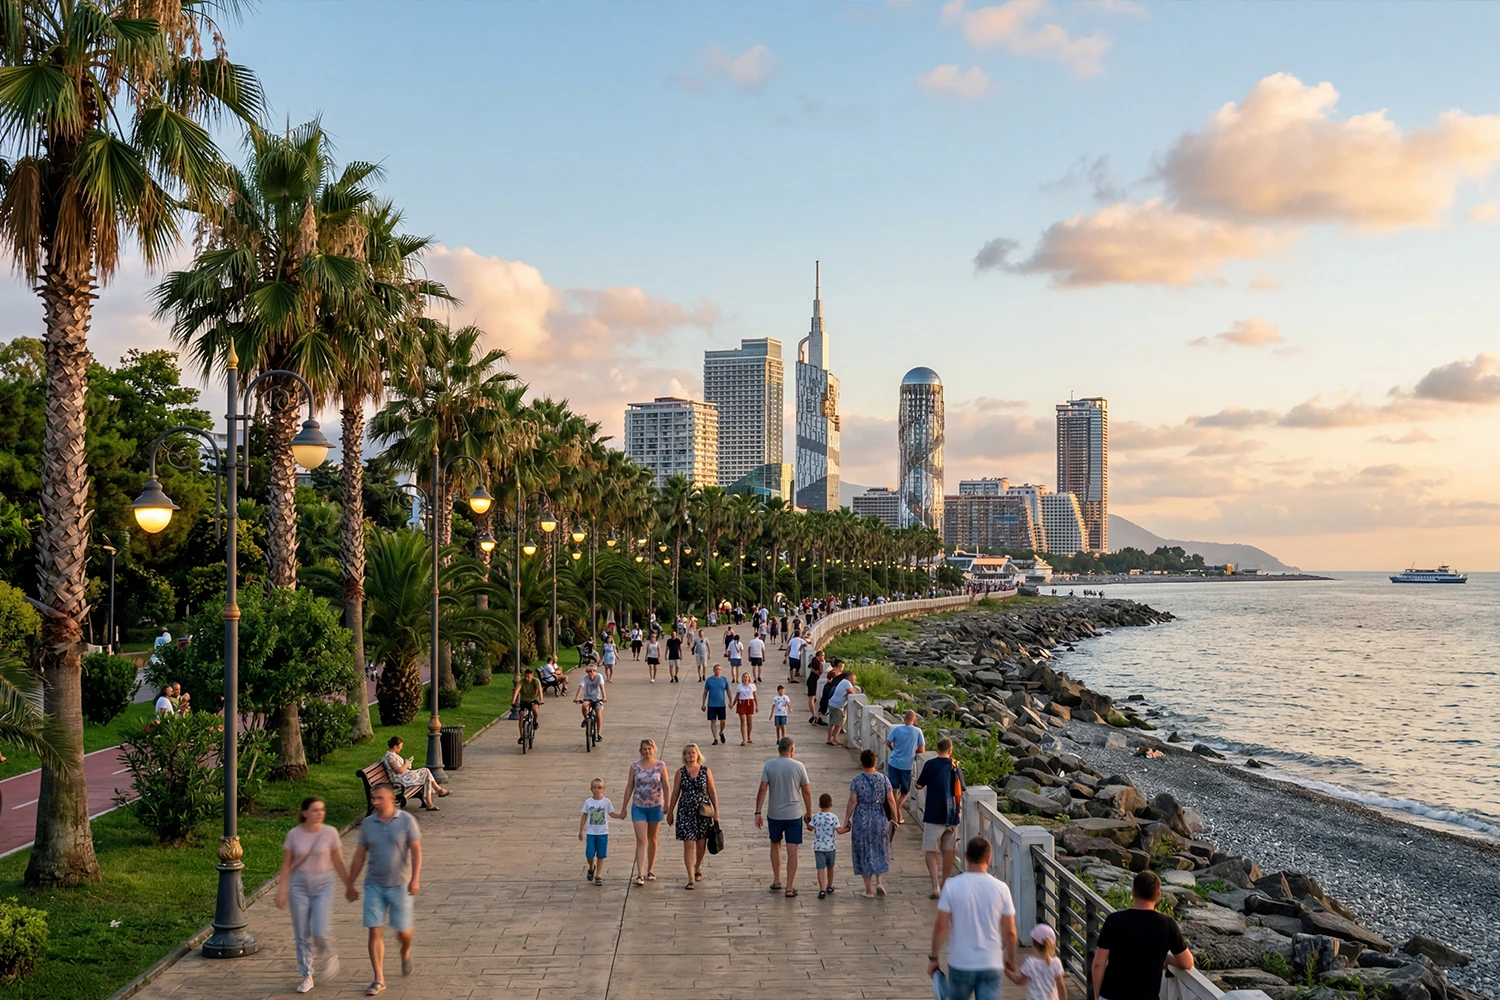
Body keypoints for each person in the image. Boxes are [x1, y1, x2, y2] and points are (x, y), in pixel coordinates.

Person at [347, 785, 423, 997]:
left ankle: (405, 949)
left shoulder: (406, 821)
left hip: (401, 884)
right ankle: (378, 978)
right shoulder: (368, 824)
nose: (375, 802)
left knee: (403, 932)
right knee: (374, 929)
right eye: (373, 799)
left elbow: (416, 851)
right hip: (374, 885)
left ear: (392, 799)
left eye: (379, 798)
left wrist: (415, 879)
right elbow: (360, 855)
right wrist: (350, 883)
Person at [276, 796, 352, 993]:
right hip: (299, 885)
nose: (320, 813)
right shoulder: (294, 834)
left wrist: (349, 885)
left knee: (319, 929)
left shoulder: (330, 832)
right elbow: (286, 865)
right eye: (315, 810)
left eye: (322, 810)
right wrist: (282, 890)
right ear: (304, 813)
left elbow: (338, 861)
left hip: (323, 884)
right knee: (301, 932)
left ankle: (330, 957)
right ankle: (307, 975)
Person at [927, 837, 1018, 1000]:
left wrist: (934, 957)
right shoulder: (1001, 889)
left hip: (961, 962)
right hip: (991, 962)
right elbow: (1010, 931)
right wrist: (1010, 958)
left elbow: (941, 926)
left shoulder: (951, 885)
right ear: (989, 859)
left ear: (966, 856)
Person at [1091, 871, 1194, 1000]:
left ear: (1133, 892)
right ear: (1158, 895)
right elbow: (1187, 963)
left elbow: (1098, 963)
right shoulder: (1167, 924)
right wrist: (1166, 959)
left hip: (1112, 995)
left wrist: (1096, 994)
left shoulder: (1114, 920)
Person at [754, 736, 812, 898]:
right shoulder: (799, 766)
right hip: (793, 814)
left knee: (775, 845)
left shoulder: (769, 765)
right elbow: (806, 791)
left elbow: (762, 789)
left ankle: (777, 880)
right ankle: (789, 886)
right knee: (792, 849)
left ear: (779, 749)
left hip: (774, 813)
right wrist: (809, 812)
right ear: (792, 750)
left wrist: (758, 812)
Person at [844, 748, 896, 898]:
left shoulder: (857, 780)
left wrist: (846, 819)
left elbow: (853, 801)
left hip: (862, 817)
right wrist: (895, 816)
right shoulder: (884, 779)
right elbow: (891, 800)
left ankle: (868, 890)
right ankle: (879, 881)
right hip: (879, 816)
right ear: (874, 762)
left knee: (863, 850)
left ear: (862, 763)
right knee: (880, 847)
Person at [667, 743, 720, 890]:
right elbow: (676, 792)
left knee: (701, 844)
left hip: (703, 812)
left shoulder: (705, 771)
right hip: (685, 811)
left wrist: (717, 812)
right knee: (688, 844)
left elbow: (712, 791)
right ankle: (691, 878)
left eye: (693, 753)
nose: (691, 755)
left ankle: (698, 866)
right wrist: (670, 811)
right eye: (688, 753)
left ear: (698, 755)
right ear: (684, 756)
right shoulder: (680, 772)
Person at [915, 737, 962, 898]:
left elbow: (919, 785)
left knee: (930, 849)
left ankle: (935, 886)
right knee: (949, 851)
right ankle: (945, 884)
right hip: (952, 814)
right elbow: (961, 788)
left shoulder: (930, 764)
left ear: (937, 749)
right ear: (950, 750)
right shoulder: (955, 766)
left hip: (934, 814)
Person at [619, 739, 669, 886]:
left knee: (652, 838)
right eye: (644, 749)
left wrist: (667, 804)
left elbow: (666, 785)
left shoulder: (661, 765)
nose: (647, 751)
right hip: (638, 806)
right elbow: (629, 786)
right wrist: (623, 808)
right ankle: (640, 874)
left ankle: (650, 869)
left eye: (649, 749)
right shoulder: (635, 766)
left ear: (654, 749)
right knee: (641, 840)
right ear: (640, 751)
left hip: (655, 806)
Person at [381, 737, 447, 811]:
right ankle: (435, 796)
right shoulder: (390, 757)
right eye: (400, 747)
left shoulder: (392, 755)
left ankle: (433, 798)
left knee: (426, 772)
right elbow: (399, 771)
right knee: (426, 773)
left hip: (405, 776)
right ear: (395, 746)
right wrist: (406, 763)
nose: (401, 748)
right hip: (401, 780)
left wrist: (407, 764)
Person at [885, 709, 927, 822]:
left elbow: (888, 742)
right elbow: (922, 749)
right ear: (914, 719)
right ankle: (897, 811)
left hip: (893, 763)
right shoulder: (917, 731)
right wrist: (912, 751)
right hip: (906, 765)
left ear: (904, 719)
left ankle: (895, 814)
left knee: (894, 790)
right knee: (905, 792)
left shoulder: (897, 729)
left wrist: (893, 749)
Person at [1007, 924, 1066, 1000]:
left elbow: (1019, 981)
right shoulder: (1056, 963)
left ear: (1034, 943)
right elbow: (1061, 987)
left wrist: (1007, 971)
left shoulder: (1030, 963)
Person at [578, 777, 616, 886]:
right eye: (594, 788)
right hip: (591, 832)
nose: (597, 790)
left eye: (599, 788)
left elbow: (611, 813)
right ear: (591, 789)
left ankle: (598, 875)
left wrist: (621, 815)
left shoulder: (606, 802)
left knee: (601, 854)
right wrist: (581, 830)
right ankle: (591, 867)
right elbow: (584, 815)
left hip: (603, 832)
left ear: (603, 789)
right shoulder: (588, 802)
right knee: (589, 854)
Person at [809, 792, 843, 899]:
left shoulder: (816, 817)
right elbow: (839, 831)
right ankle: (830, 886)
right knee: (830, 867)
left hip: (819, 847)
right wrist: (847, 829)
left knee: (820, 868)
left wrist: (806, 821)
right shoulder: (834, 817)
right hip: (831, 847)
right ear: (831, 805)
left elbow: (810, 828)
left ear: (819, 805)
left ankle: (822, 889)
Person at [825, 666, 856, 748]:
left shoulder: (843, 681)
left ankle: (829, 739)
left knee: (831, 723)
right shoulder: (847, 683)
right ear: (849, 677)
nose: (854, 681)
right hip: (837, 706)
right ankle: (834, 739)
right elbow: (851, 692)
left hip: (832, 704)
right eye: (854, 678)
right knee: (839, 723)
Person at [511, 667, 543, 744]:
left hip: (534, 699)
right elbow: (517, 690)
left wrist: (541, 699)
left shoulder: (536, 681)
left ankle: (534, 722)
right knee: (521, 715)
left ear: (532, 676)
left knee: (534, 709)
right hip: (524, 700)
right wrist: (513, 700)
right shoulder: (522, 682)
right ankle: (521, 736)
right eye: (526, 676)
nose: (527, 678)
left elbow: (540, 690)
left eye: (529, 677)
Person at [574, 664, 606, 740]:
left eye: (590, 671)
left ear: (594, 671)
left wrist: (604, 697)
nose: (589, 673)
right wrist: (577, 698)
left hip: (597, 698)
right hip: (588, 698)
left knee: (598, 713)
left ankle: (599, 734)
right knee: (584, 705)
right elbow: (580, 688)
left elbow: (602, 687)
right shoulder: (584, 678)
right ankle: (586, 719)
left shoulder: (599, 677)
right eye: (587, 671)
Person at [701, 663, 731, 746]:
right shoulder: (709, 680)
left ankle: (721, 732)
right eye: (716, 669)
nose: (718, 671)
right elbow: (705, 692)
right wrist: (703, 704)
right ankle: (715, 738)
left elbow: (728, 691)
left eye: (719, 669)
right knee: (713, 721)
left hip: (721, 704)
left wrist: (730, 701)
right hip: (711, 704)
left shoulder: (724, 679)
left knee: (723, 721)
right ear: (714, 670)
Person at [732, 671, 758, 746]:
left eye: (746, 677)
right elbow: (737, 696)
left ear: (749, 678)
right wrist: (733, 704)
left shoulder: (752, 686)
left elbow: (755, 696)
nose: (745, 678)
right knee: (743, 722)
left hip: (750, 703)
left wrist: (757, 706)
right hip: (741, 703)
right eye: (744, 677)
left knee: (749, 722)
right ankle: (744, 739)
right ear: (742, 678)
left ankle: (749, 736)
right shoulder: (739, 686)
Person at [804, 654, 823, 725]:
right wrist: (821, 664)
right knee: (811, 698)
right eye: (823, 655)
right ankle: (814, 716)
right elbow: (820, 673)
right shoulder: (817, 664)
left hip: (811, 681)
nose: (823, 657)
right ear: (819, 656)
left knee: (813, 698)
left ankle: (814, 715)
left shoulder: (814, 661)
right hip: (812, 682)